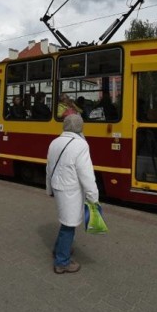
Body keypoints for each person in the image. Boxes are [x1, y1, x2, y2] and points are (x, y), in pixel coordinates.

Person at [45, 114, 99, 274]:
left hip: (59, 188)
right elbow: (86, 174)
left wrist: (49, 189)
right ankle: (62, 262)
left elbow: (48, 168)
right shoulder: (81, 145)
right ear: (80, 127)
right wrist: (93, 196)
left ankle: (59, 249)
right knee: (69, 225)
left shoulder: (54, 142)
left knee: (66, 221)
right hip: (71, 191)